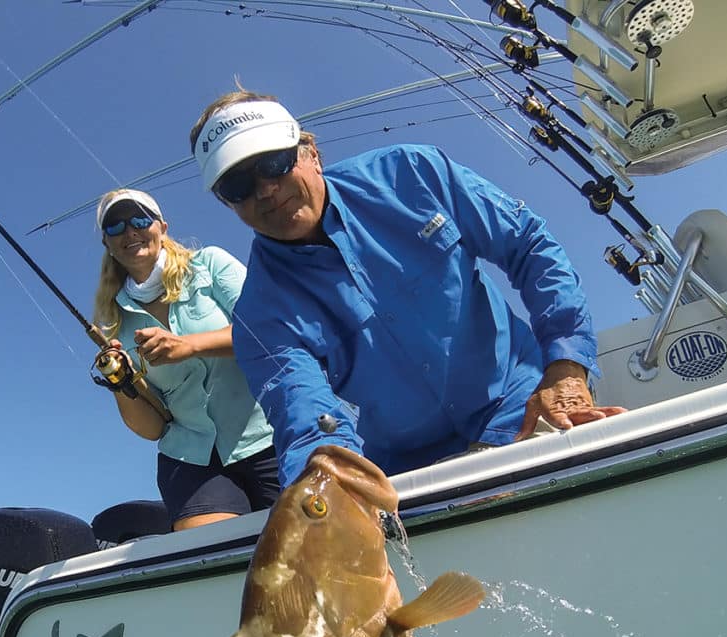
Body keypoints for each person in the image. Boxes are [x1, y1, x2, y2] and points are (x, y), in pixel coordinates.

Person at [188, 91, 625, 486]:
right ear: (227, 202)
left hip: (527, 407)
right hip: (408, 472)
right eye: (238, 184)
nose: (265, 189)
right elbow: (303, 415)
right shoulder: (259, 316)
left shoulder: (412, 174)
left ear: (311, 152)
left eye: (273, 163)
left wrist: (566, 366)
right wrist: (326, 487)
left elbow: (529, 247)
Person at [91, 188, 280, 530]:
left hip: (269, 435)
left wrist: (189, 345)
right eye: (116, 227)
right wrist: (123, 384)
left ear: (162, 227)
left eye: (139, 219)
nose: (129, 231)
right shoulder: (115, 321)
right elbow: (151, 429)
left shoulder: (209, 264)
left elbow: (268, 331)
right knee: (216, 554)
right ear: (107, 243)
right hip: (191, 459)